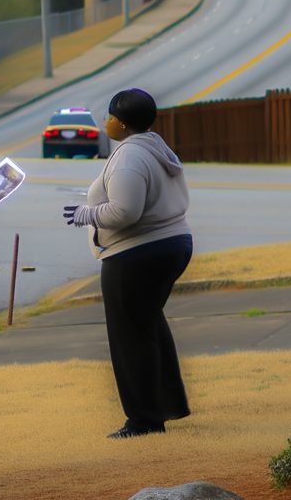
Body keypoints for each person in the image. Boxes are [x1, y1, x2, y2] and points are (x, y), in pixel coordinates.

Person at [63, 88, 192, 438]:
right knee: (147, 323)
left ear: (120, 122)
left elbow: (125, 210)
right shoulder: (156, 146)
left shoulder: (129, 156)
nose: (105, 122)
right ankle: (165, 406)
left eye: (107, 116)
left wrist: (83, 214)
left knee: (130, 335)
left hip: (137, 254)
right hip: (171, 245)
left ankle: (143, 420)